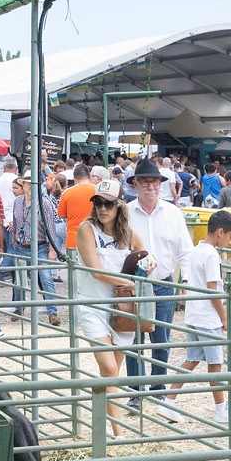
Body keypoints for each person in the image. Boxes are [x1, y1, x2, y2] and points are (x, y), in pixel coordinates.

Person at [75, 178, 148, 436]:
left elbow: (146, 256)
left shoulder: (128, 234)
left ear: (119, 206)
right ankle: (118, 433)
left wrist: (148, 266)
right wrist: (130, 282)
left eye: (108, 204)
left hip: (121, 309)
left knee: (112, 372)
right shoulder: (87, 230)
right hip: (94, 305)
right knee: (108, 368)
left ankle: (105, 421)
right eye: (98, 203)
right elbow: (96, 271)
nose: (102, 209)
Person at [125, 158, 195, 408]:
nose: (150, 186)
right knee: (133, 338)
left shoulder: (173, 213)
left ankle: (157, 386)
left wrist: (186, 278)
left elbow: (185, 250)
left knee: (162, 338)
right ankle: (135, 390)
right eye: (144, 182)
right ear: (135, 184)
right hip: (135, 284)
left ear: (160, 184)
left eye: (154, 181)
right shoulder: (125, 213)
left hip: (164, 281)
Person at [159, 209, 231, 426]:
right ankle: (221, 410)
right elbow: (213, 288)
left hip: (194, 316)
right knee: (215, 365)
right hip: (208, 318)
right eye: (230, 237)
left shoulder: (195, 251)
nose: (229, 242)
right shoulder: (211, 255)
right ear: (220, 232)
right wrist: (224, 317)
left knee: (192, 360)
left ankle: (168, 401)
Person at [8, 172, 64, 324]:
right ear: (24, 185)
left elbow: (50, 228)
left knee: (46, 278)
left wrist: (52, 251)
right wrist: (13, 240)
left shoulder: (44, 203)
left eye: (33, 184)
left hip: (40, 246)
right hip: (21, 245)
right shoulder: (18, 201)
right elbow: (15, 221)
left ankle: (52, 312)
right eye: (27, 183)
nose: (30, 187)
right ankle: (19, 307)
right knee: (19, 279)